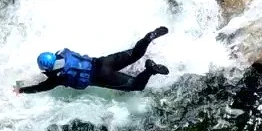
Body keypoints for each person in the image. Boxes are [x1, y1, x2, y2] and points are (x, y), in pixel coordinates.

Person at [18, 27, 172, 94]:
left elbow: (40, 87)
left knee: (136, 86)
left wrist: (22, 90)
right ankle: (148, 38)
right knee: (134, 54)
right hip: (102, 62)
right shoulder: (61, 54)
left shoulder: (57, 78)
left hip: (102, 77)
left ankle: (150, 70)